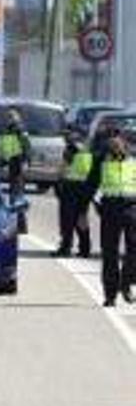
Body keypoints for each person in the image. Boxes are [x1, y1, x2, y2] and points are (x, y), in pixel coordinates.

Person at [87, 130, 136, 307]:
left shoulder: (133, 161)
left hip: (132, 209)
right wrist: (93, 206)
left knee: (133, 251)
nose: (114, 145)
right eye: (111, 143)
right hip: (109, 210)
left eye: (117, 142)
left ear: (124, 143)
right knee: (109, 254)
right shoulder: (101, 161)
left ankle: (126, 283)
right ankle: (110, 294)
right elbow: (90, 186)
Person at [52, 131, 93, 258]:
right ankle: (85, 248)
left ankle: (65, 247)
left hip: (70, 186)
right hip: (85, 187)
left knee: (67, 219)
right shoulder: (87, 149)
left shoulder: (71, 149)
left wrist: (58, 181)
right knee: (82, 217)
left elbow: (63, 168)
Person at [0, 108, 31, 233]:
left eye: (12, 115)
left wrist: (25, 161)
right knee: (14, 196)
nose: (9, 118)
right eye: (8, 116)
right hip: (12, 165)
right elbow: (8, 148)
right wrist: (3, 162)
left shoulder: (19, 129)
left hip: (18, 165)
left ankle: (21, 226)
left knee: (17, 196)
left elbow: (26, 146)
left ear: (18, 117)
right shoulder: (9, 130)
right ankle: (17, 224)